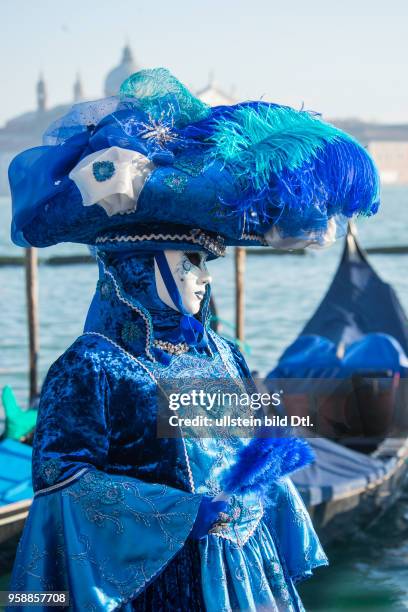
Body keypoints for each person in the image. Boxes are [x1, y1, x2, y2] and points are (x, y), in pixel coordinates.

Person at [7, 68, 379, 611]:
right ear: (134, 270)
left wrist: (260, 477)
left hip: (242, 571)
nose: (203, 279)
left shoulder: (223, 353)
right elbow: (60, 482)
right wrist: (180, 515)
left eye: (204, 263)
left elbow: (246, 443)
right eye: (188, 264)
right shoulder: (92, 367)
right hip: (155, 581)